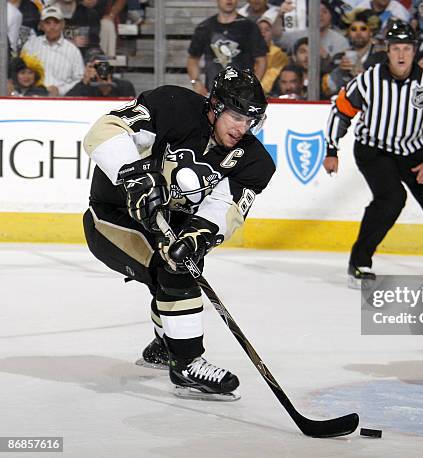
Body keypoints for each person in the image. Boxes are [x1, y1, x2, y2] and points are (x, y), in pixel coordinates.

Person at [81, 67, 275, 399]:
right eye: (237, 116)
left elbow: (225, 208)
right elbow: (103, 130)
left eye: (251, 120)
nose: (243, 128)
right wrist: (135, 175)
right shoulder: (172, 105)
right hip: (111, 217)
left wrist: (199, 235)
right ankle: (186, 363)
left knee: (180, 263)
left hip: (166, 225)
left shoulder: (255, 162)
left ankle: (164, 345)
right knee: (174, 271)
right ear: (215, 105)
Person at [324, 21, 423, 288]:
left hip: (414, 151)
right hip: (374, 149)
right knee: (392, 198)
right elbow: (341, 111)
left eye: (406, 48)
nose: (401, 55)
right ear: (387, 50)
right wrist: (331, 149)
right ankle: (359, 263)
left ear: (414, 51)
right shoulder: (369, 80)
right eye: (396, 48)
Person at [186, 0, 268, 95]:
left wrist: (251, 86)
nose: (229, 0)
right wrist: (196, 83)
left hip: (242, 95)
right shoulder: (204, 27)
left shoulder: (249, 27)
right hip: (213, 92)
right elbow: (192, 59)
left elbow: (262, 60)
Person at [21, 5, 84, 96]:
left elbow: (79, 80)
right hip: (33, 98)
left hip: (62, 101)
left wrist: (60, 90)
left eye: (56, 22)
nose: (52, 27)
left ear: (63, 24)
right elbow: (20, 72)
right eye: (48, 23)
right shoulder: (31, 45)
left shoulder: (73, 50)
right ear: (42, 25)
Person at [66, 47, 135, 97]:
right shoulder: (83, 87)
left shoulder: (124, 86)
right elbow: (69, 103)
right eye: (94, 66)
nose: (98, 69)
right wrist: (84, 83)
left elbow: (129, 111)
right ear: (87, 68)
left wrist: (108, 91)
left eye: (100, 65)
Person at [257, 17, 289, 95]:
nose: (262, 32)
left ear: (272, 34)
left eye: (267, 30)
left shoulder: (279, 54)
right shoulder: (246, 53)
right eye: (259, 29)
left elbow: (273, 76)